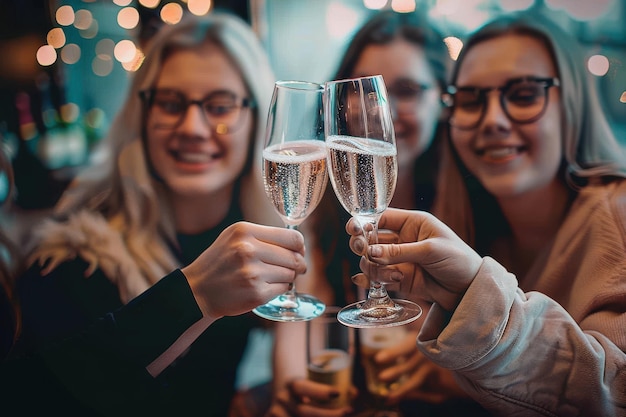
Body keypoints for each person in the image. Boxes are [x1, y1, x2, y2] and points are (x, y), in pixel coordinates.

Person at [11, 11, 295, 416]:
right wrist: (194, 296)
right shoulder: (76, 260)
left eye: (219, 105)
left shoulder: (259, 227)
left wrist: (260, 397)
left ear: (256, 120)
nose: (194, 127)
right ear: (142, 116)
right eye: (171, 103)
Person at [346, 10, 626, 417]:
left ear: (573, 105)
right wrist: (453, 375)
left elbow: (615, 391)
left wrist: (476, 298)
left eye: (525, 94)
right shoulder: (472, 222)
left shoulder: (618, 216)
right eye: (472, 99)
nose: (492, 120)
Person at [268, 10, 478, 417]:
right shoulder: (328, 213)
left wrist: (456, 373)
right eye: (360, 91)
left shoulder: (479, 203)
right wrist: (299, 395)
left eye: (406, 90)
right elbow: (296, 343)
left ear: (443, 101)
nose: (378, 112)